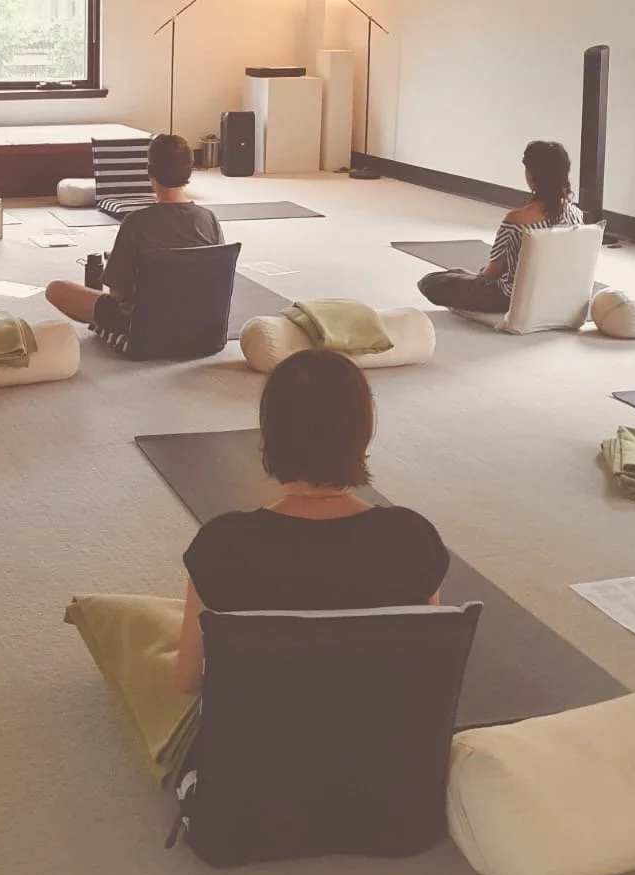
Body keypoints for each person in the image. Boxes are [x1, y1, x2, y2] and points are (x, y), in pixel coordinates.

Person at [173, 349, 449, 694]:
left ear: (270, 435)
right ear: (362, 432)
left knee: (137, 627)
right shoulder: (414, 538)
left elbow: (186, 681)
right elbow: (432, 668)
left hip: (257, 728)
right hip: (388, 728)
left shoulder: (221, 544)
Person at [45, 133, 221, 337]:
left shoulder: (136, 223)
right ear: (189, 171)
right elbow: (217, 281)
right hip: (198, 323)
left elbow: (117, 294)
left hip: (145, 324)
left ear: (150, 171)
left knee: (56, 289)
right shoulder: (209, 219)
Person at [416, 139, 583, 315]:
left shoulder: (516, 220)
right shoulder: (576, 215)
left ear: (532, 176)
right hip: (554, 296)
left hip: (507, 299)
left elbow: (491, 273)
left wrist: (479, 277)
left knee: (430, 282)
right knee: (457, 273)